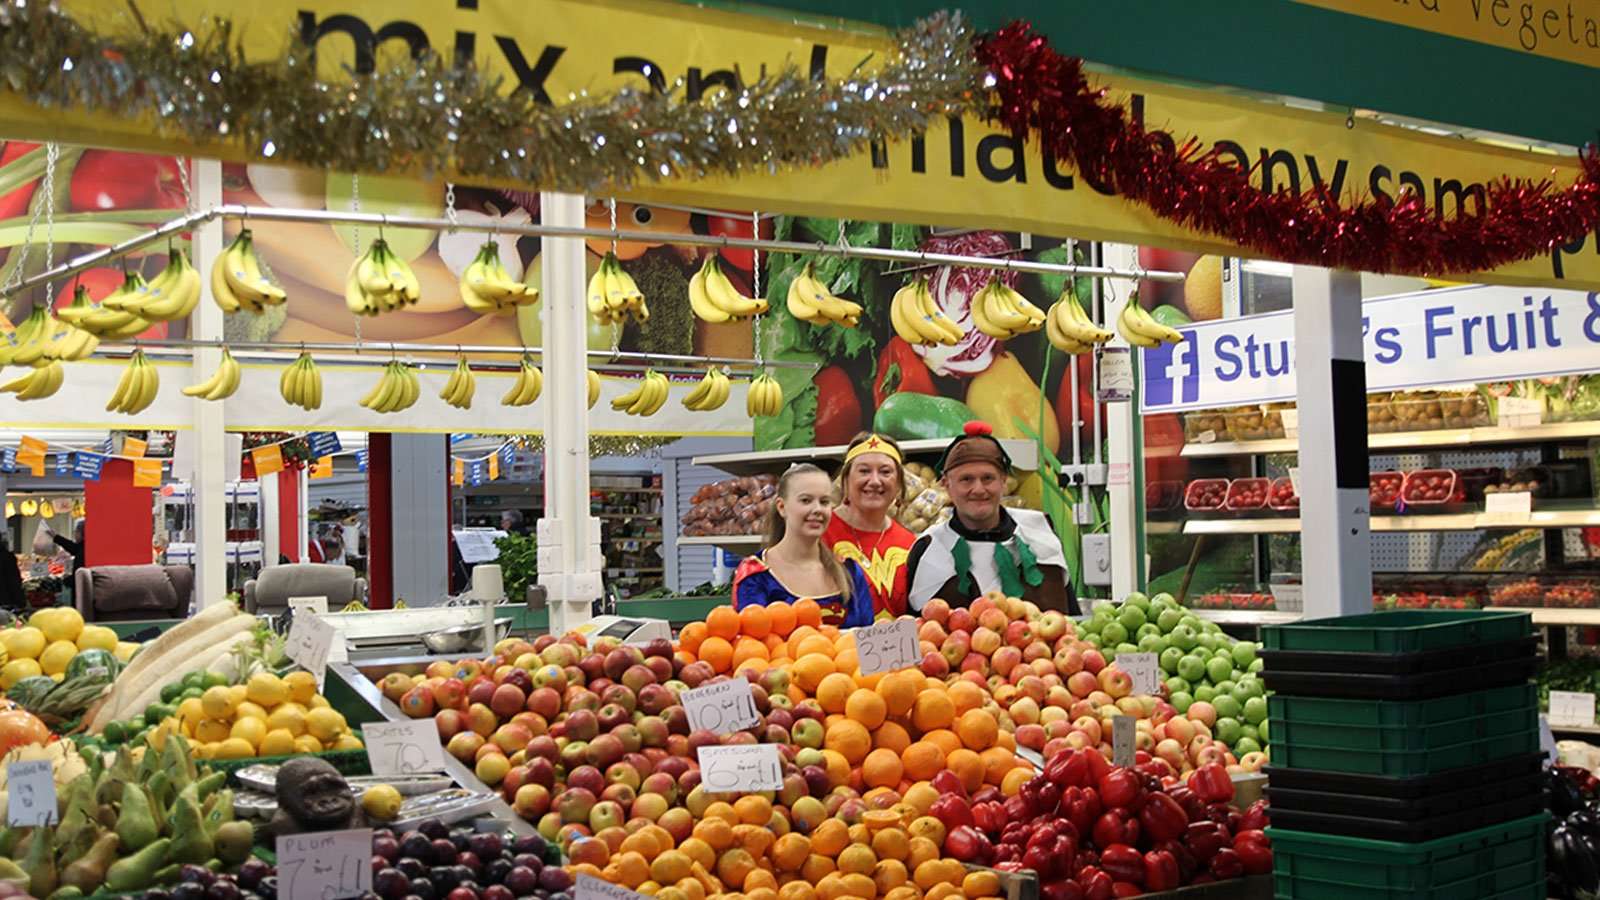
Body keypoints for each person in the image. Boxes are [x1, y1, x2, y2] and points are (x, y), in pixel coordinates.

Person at [905, 422, 1079, 615]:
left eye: (988, 478)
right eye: (966, 479)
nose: (979, 489)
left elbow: (1070, 620)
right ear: (947, 485)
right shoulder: (929, 547)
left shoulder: (1039, 530)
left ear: (1003, 481)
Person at [733, 463, 874, 628]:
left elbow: (868, 644)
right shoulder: (755, 575)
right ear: (781, 507)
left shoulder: (850, 571)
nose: (817, 509)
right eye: (806, 500)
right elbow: (754, 643)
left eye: (824, 501)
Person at [824, 433, 917, 617]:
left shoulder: (910, 544)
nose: (874, 481)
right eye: (864, 471)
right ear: (845, 480)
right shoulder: (820, 533)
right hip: (828, 644)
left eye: (885, 472)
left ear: (898, 484)